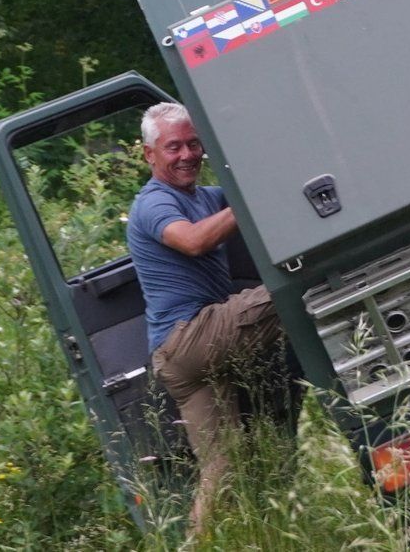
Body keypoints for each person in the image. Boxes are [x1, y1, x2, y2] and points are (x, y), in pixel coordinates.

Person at [127, 101, 282, 534]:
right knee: (294, 290)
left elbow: (254, 189)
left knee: (222, 469)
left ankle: (200, 542)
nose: (187, 155)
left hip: (177, 361)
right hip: (189, 338)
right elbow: (193, 241)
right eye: (173, 147)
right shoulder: (154, 203)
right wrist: (246, 201)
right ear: (149, 154)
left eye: (194, 144)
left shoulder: (205, 197)